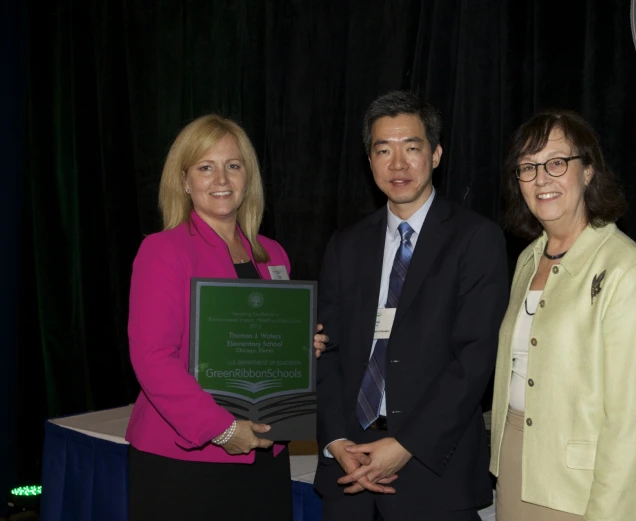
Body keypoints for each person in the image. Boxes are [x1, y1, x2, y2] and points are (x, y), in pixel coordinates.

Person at [313, 90, 508, 521]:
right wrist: (336, 442)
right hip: (351, 472)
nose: (397, 164)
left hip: (433, 472)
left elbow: (474, 359)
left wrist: (406, 446)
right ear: (369, 161)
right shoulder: (346, 245)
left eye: (411, 148)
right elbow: (327, 353)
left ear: (436, 154)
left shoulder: (476, 240)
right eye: (383, 150)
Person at [126, 114, 319, 521]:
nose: (221, 179)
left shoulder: (272, 254)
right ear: (183, 179)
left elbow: (270, 348)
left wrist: (302, 346)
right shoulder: (163, 251)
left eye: (233, 165)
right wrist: (224, 429)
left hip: (266, 451)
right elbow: (153, 359)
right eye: (205, 167)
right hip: (187, 461)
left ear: (248, 177)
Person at [489, 109, 636, 521]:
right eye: (528, 167)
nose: (541, 179)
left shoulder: (626, 268)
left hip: (594, 486)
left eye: (557, 162)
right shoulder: (526, 260)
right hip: (518, 467)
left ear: (588, 171)